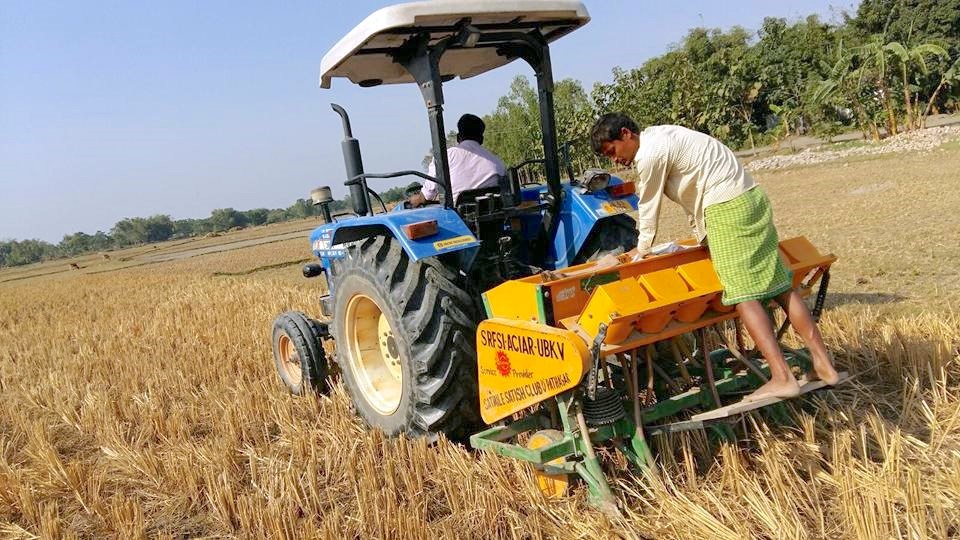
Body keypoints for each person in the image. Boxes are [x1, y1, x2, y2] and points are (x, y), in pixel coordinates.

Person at [589, 113, 841, 401]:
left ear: (626, 134)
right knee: (782, 286)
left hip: (727, 210)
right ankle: (823, 364)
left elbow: (648, 206)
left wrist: (641, 251)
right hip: (750, 198)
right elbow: (695, 186)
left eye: (612, 151)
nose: (614, 161)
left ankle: (782, 378)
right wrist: (703, 237)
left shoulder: (649, 154)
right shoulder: (662, 134)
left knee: (742, 295)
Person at [409, 113, 506, 207]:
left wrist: (416, 200)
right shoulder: (497, 162)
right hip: (492, 217)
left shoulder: (444, 158)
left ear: (458, 137)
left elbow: (427, 195)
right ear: (481, 139)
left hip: (456, 217)